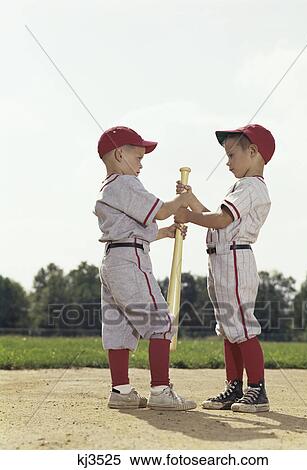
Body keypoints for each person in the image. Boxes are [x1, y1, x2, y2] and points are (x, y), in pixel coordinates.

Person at [94, 126, 196, 411]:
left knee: (119, 327)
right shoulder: (126, 183)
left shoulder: (109, 188)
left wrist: (164, 233)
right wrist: (183, 200)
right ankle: (161, 391)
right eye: (137, 156)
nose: (141, 163)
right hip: (131, 261)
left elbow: (133, 227)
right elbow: (161, 209)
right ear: (118, 154)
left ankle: (121, 391)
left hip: (113, 260)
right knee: (162, 322)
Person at [174, 124, 275, 413]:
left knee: (241, 326)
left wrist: (188, 215)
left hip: (234, 259)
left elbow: (219, 220)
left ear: (253, 151)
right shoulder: (242, 186)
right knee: (229, 329)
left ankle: (257, 389)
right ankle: (235, 387)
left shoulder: (251, 186)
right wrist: (190, 199)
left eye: (231, 155)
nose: (228, 162)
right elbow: (218, 217)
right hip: (221, 259)